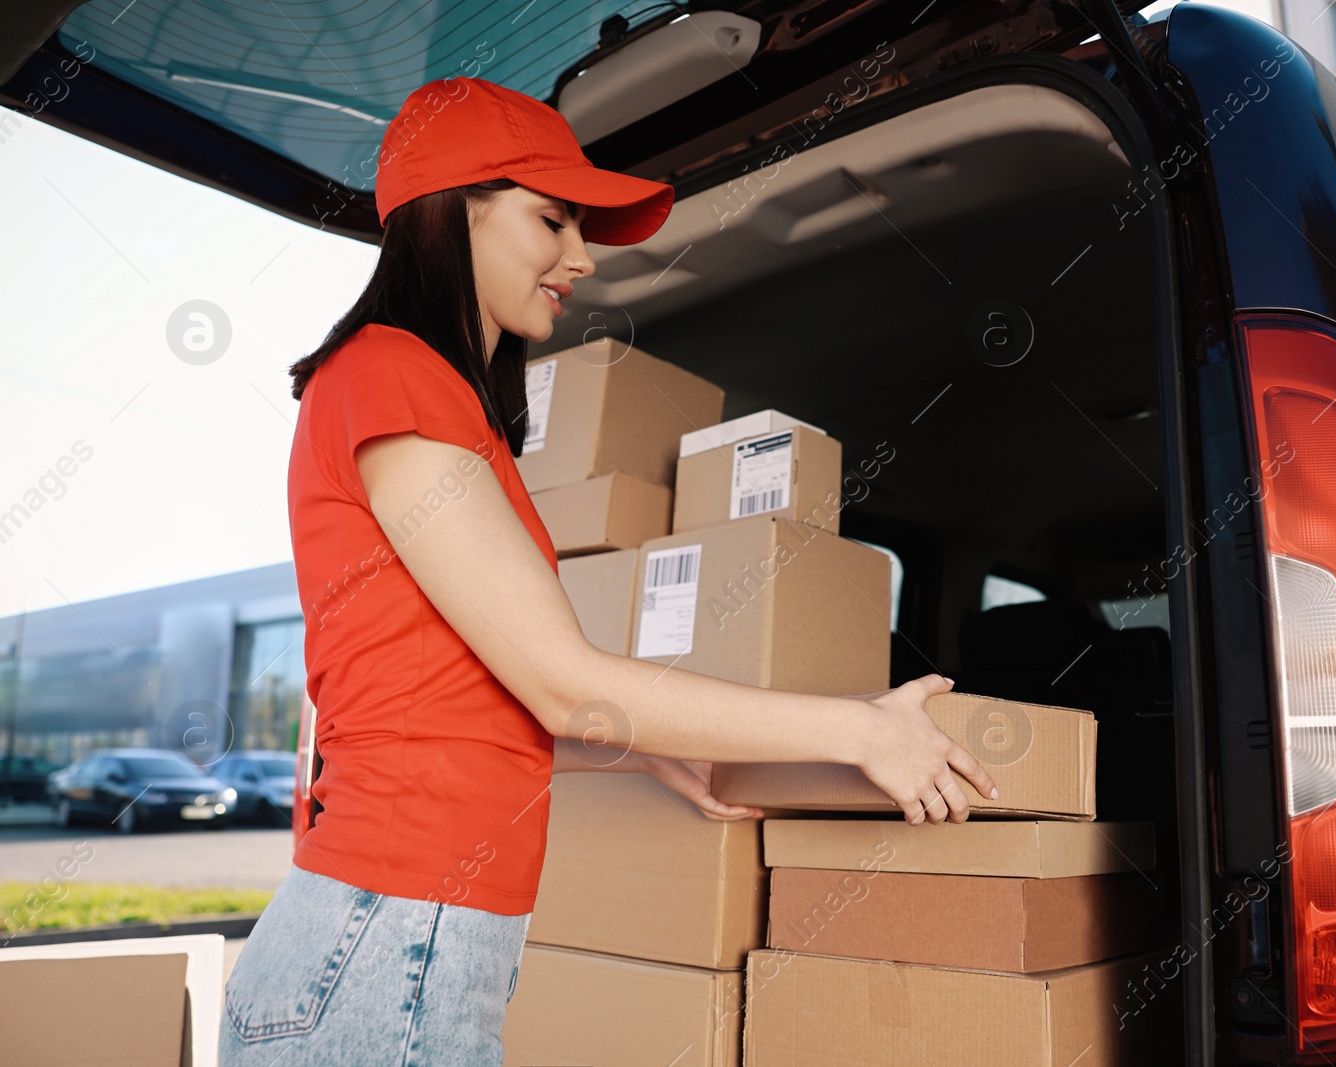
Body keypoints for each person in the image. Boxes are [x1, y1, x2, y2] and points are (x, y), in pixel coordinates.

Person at [218, 76, 997, 1065]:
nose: (580, 258)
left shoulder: (427, 399)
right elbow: (558, 684)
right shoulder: (390, 374)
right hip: (389, 930)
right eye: (551, 219)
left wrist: (643, 746)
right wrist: (859, 727)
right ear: (450, 210)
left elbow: (460, 705)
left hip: (397, 933)